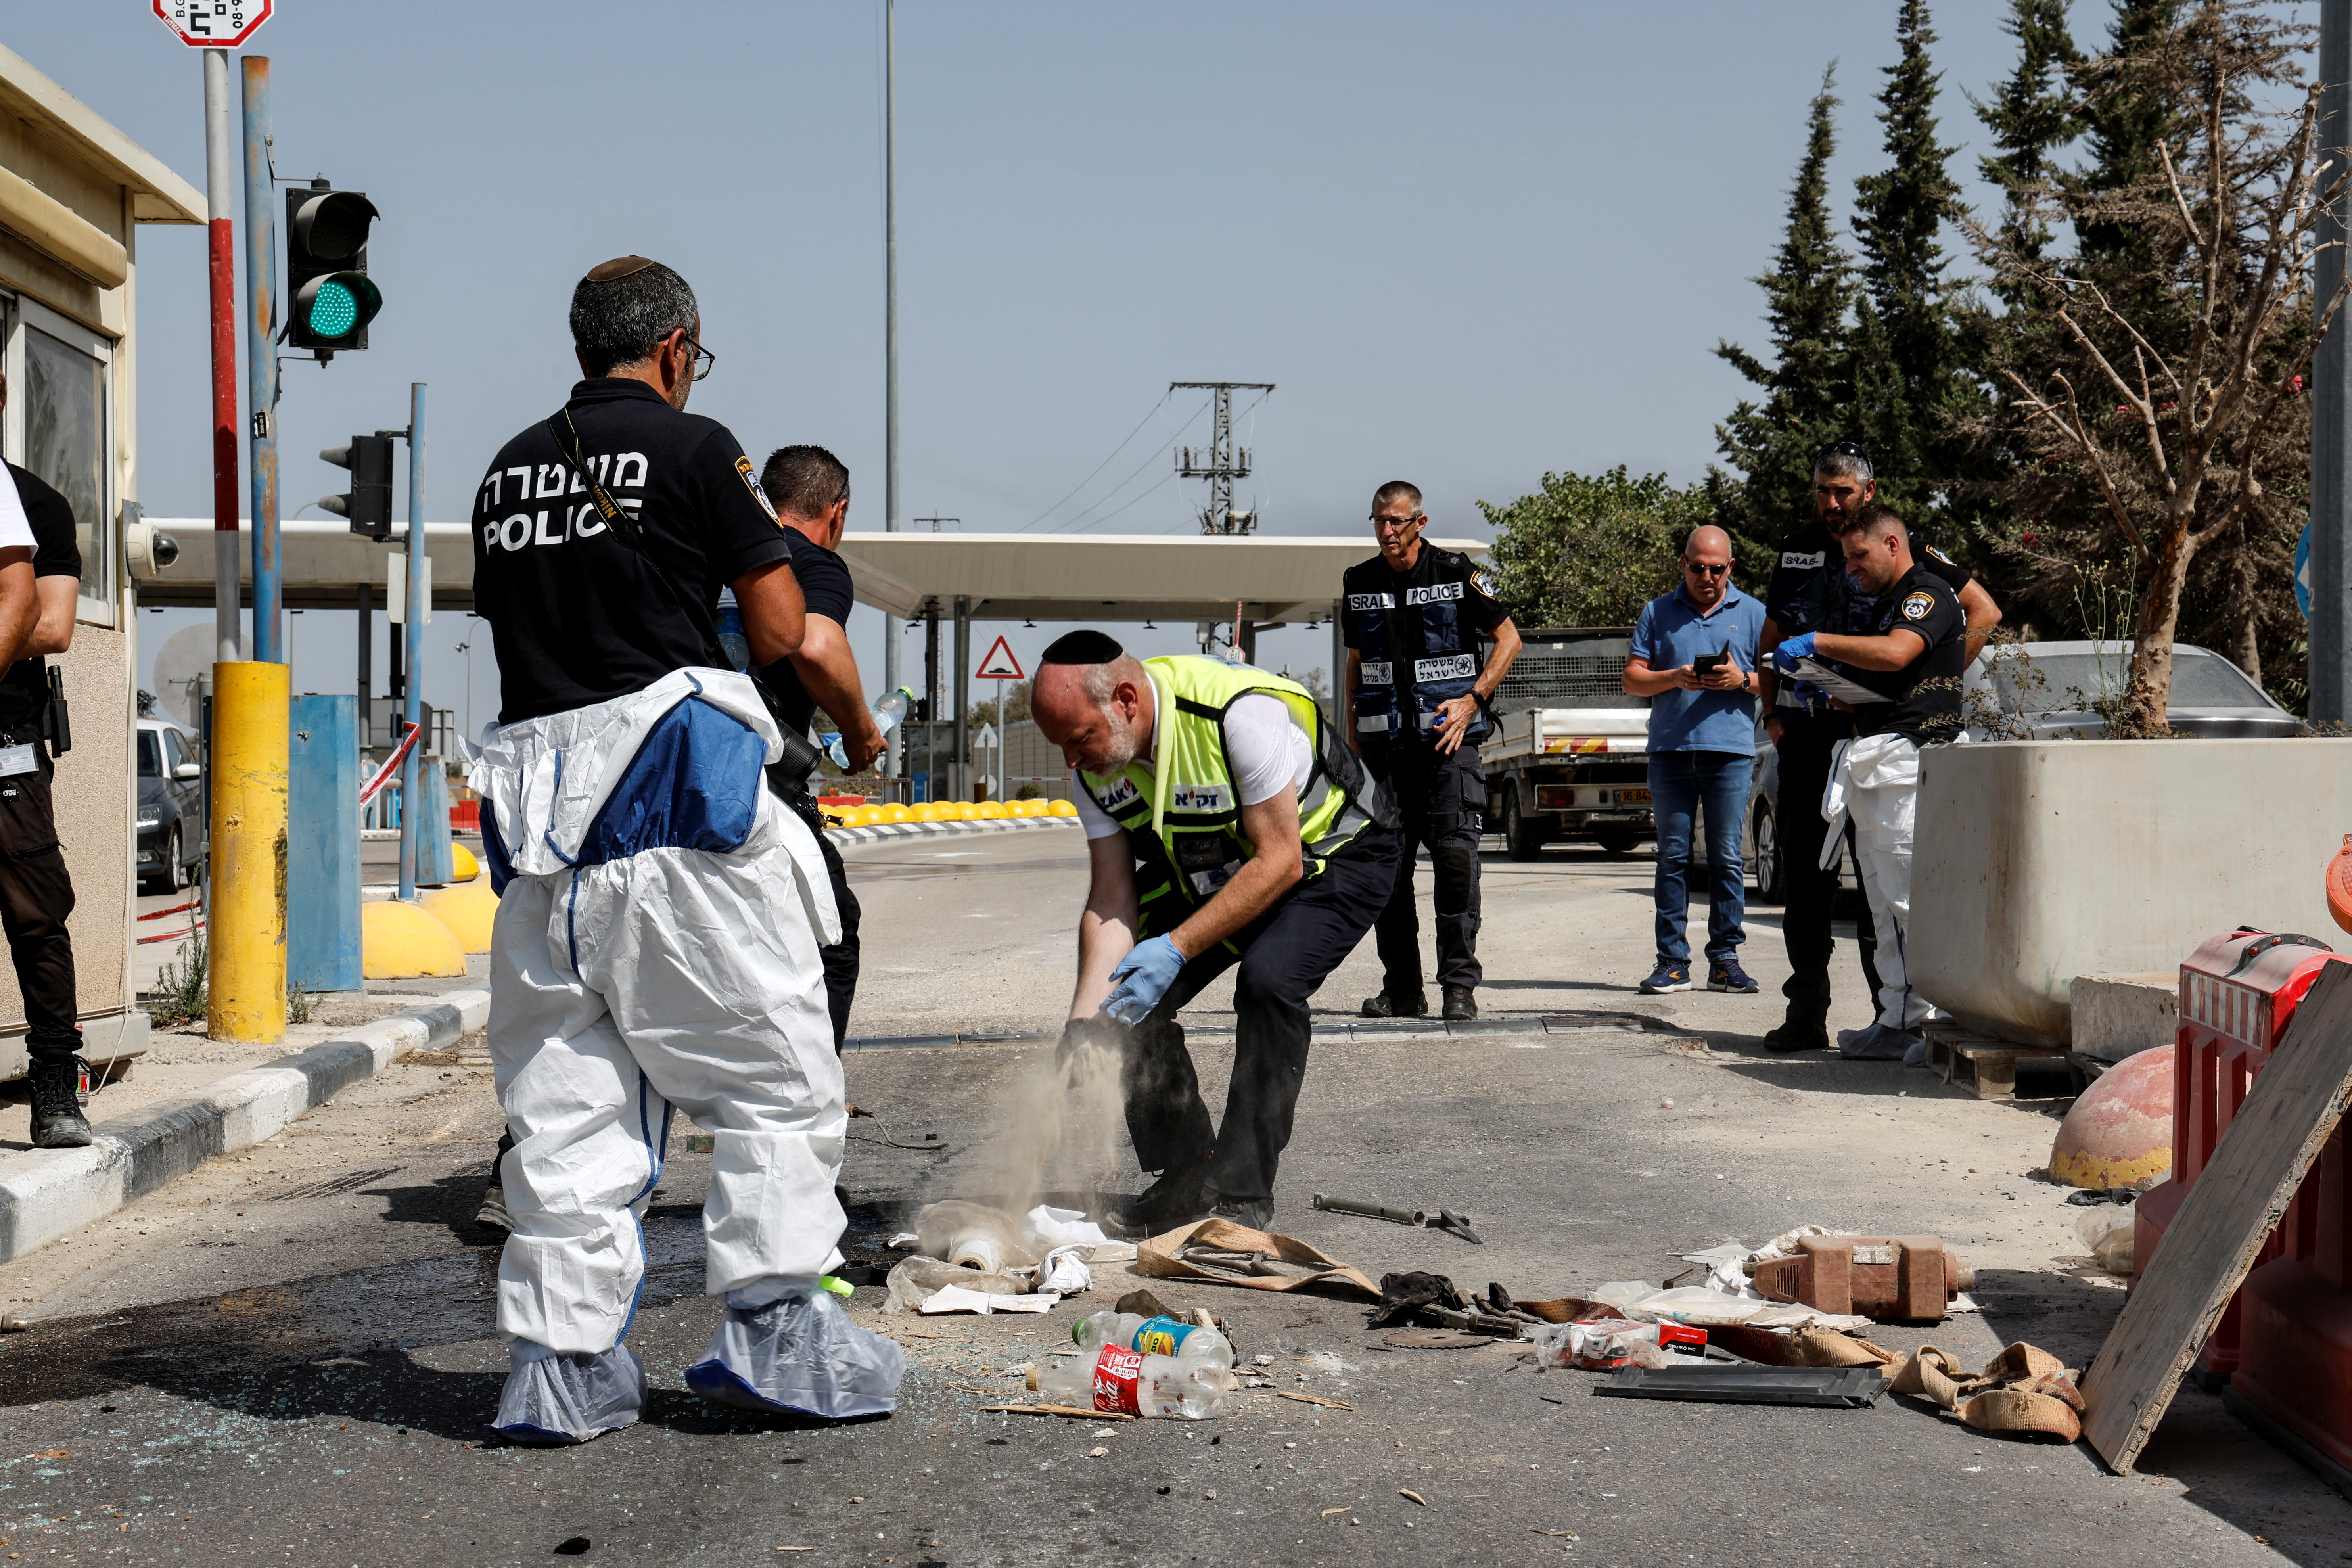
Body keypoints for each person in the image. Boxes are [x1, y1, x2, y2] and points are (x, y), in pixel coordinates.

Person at [465, 255, 901, 1444]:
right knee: (773, 1076)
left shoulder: (508, 470)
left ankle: (558, 1373)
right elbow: (775, 626)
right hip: (676, 813)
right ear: (676, 350)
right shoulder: (702, 449)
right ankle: (782, 1339)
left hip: (544, 841)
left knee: (566, 1112)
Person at [1034, 632, 1397, 1236]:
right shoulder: (1093, 770)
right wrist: (1083, 1020)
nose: (1071, 761)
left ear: (1126, 700)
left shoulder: (1236, 714)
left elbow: (1279, 859)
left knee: (1268, 982)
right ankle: (1185, 1176)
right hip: (1224, 862)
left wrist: (1175, 948)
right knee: (1122, 997)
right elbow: (1111, 898)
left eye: (1078, 739)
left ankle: (1240, 1193)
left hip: (1332, 852)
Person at [1754, 443, 1999, 1053]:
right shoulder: (1798, 549)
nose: (1830, 502)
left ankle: (1894, 1015)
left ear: (1868, 492)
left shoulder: (1904, 548)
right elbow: (1773, 633)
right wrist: (1771, 717)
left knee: (1883, 886)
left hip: (1876, 734)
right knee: (1806, 881)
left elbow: (1982, 611)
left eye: (1842, 491)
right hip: (1808, 735)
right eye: (1821, 491)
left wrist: (1907, 689)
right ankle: (1805, 1012)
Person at [1341, 481, 1520, 1022]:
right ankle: (1402, 990)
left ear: (1419, 522)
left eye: (1395, 521)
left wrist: (1472, 700)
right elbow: (1355, 661)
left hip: (1449, 751)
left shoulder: (1454, 572)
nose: (1385, 531)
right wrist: (1351, 738)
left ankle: (1457, 988)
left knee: (1455, 866)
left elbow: (1508, 639)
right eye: (1377, 521)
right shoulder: (1359, 581)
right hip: (1384, 755)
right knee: (1387, 876)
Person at [755, 444, 879, 1052]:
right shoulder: (808, 563)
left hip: (663, 771)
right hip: (762, 786)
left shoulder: (717, 556)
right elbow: (818, 647)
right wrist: (860, 732)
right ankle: (812, 1091)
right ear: (838, 511)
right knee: (832, 934)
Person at [1620, 526, 1767, 995]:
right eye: (1698, 567)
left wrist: (1740, 681)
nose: (1707, 576)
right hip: (1671, 754)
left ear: (1732, 568)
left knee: (1726, 859)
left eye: (1717, 568)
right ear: (1682, 564)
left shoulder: (1755, 614)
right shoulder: (1657, 612)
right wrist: (1674, 677)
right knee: (1674, 858)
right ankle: (1672, 962)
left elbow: (1778, 679)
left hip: (1731, 754)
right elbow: (1632, 680)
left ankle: (1725, 960)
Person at [0, 402, 80, 1148]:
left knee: (36, 913)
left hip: (8, 738)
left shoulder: (36, 504)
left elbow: (52, 626)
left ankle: (56, 1085)